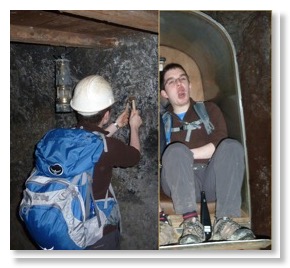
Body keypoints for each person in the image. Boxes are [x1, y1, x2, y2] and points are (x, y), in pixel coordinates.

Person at [159, 63, 255, 245]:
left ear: (189, 85)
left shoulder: (209, 110)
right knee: (175, 151)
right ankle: (191, 223)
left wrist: (189, 154)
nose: (179, 84)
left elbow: (220, 142)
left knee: (232, 147)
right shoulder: (160, 122)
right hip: (178, 182)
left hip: (212, 178)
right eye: (171, 82)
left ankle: (225, 221)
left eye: (182, 79)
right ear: (164, 93)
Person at [70, 74, 142, 249]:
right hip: (96, 231)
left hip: (68, 222)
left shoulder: (68, 136)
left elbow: (94, 142)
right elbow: (134, 156)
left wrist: (116, 125)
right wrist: (134, 127)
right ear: (106, 115)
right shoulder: (107, 148)